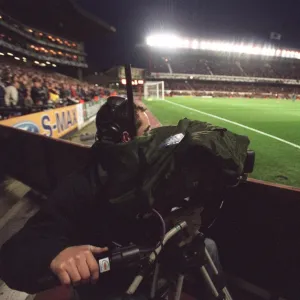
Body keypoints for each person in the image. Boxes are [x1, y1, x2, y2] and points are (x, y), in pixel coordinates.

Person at [0, 96, 221, 300]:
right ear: (127, 138)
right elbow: (12, 259)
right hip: (115, 286)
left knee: (207, 246)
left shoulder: (151, 173)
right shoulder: (83, 185)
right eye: (148, 132)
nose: (155, 140)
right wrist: (56, 255)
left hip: (155, 261)